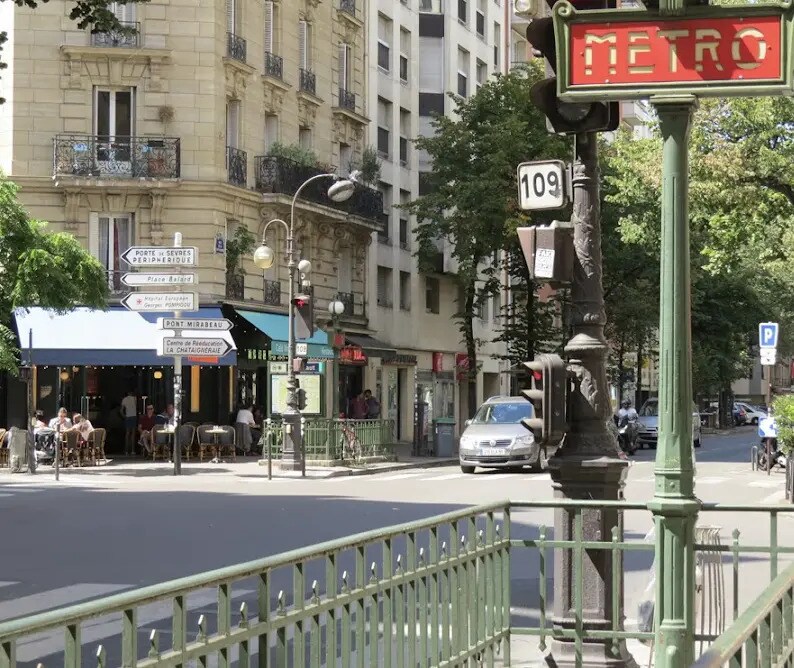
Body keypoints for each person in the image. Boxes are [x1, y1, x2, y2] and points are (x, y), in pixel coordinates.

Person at [120, 390, 138, 456]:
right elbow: (136, 406)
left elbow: (121, 410)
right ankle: (133, 450)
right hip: (134, 416)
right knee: (133, 434)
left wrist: (124, 416)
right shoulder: (134, 398)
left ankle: (126, 450)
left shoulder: (124, 399)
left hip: (128, 417)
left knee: (127, 434)